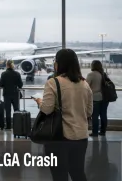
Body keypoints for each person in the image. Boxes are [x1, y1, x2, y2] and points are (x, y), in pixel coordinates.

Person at [33, 49, 93, 181]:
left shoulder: (53, 83)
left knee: (59, 175)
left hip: (59, 137)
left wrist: (39, 101)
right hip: (81, 137)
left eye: (55, 61)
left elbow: (47, 110)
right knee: (78, 173)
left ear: (59, 64)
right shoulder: (85, 84)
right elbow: (89, 112)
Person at [86, 60, 109, 137]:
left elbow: (86, 86)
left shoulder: (91, 74)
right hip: (104, 97)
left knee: (95, 116)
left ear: (93, 66)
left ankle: (95, 132)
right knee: (103, 115)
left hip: (95, 98)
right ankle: (103, 131)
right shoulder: (103, 74)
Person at [0, 60, 23, 129]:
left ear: (7, 65)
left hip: (7, 94)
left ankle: (8, 126)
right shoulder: (17, 74)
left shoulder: (3, 74)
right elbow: (20, 85)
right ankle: (17, 126)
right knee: (16, 110)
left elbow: (1, 84)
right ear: (13, 65)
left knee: (8, 111)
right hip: (15, 94)